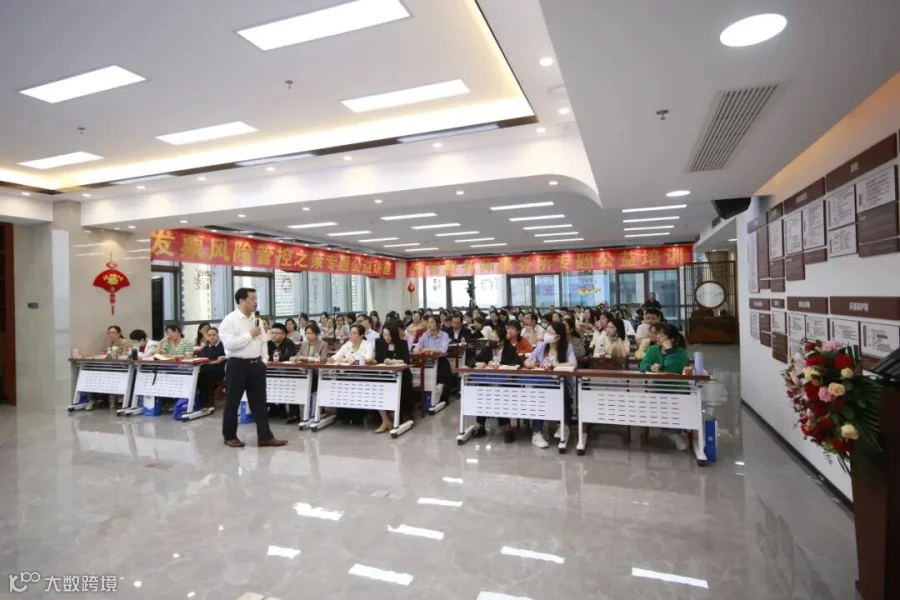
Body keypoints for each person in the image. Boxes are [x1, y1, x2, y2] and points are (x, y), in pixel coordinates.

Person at [218, 288, 287, 448]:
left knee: (259, 402)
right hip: (237, 364)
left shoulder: (257, 320)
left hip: (256, 365)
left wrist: (264, 360)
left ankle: (265, 437)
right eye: (252, 299)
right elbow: (229, 345)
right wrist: (249, 335)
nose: (256, 302)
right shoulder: (229, 320)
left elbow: (263, 341)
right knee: (232, 402)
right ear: (242, 301)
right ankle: (229, 436)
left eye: (256, 299)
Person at [523, 322, 576, 448]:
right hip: (543, 383)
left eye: (550, 332)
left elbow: (573, 364)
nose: (546, 334)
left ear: (558, 336)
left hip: (561, 383)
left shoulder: (567, 347)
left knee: (563, 393)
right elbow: (528, 360)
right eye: (546, 331)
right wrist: (529, 364)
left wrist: (554, 365)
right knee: (539, 397)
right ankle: (537, 433)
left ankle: (564, 426)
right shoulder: (541, 346)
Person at [640, 323, 691, 450]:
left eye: (662, 335)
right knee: (657, 401)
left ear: (672, 339)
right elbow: (642, 365)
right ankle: (669, 430)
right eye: (658, 334)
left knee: (676, 402)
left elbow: (673, 368)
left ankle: (674, 432)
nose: (658, 337)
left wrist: (669, 351)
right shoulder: (653, 350)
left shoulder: (680, 352)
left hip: (677, 387)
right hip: (659, 386)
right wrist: (650, 367)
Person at [472, 326, 521, 442]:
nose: (490, 341)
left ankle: (508, 428)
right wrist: (477, 363)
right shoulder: (487, 349)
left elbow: (518, 363)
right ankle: (481, 426)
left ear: (501, 341)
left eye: (493, 339)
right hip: (488, 382)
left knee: (499, 393)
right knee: (483, 393)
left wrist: (500, 365)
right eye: (490, 339)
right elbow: (472, 360)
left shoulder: (510, 350)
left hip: (505, 383)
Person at [374, 322, 415, 433]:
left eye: (389, 335)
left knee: (402, 389)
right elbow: (378, 359)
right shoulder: (379, 343)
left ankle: (400, 416)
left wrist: (393, 361)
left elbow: (406, 360)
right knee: (378, 389)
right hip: (384, 375)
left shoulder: (402, 343)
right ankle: (385, 419)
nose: (387, 338)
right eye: (384, 335)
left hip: (402, 375)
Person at [413, 315, 453, 408]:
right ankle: (427, 399)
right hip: (427, 362)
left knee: (443, 374)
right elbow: (416, 348)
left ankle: (441, 398)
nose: (429, 325)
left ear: (438, 324)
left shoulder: (444, 335)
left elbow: (443, 350)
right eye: (428, 322)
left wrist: (428, 350)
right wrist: (420, 350)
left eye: (432, 322)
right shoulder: (425, 335)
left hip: (441, 362)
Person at [196, 327, 226, 408]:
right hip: (206, 369)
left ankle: (204, 403)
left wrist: (224, 357)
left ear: (218, 335)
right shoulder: (205, 348)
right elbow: (203, 360)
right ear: (207, 337)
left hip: (219, 370)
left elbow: (229, 356)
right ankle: (202, 402)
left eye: (214, 335)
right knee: (198, 376)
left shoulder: (224, 346)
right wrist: (211, 362)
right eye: (209, 335)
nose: (212, 337)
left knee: (203, 375)